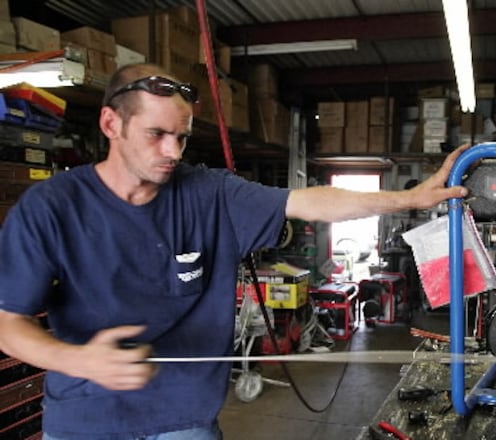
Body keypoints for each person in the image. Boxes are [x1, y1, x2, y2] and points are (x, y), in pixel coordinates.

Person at [0, 63, 469, 440]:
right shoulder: (51, 207)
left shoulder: (210, 194)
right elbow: (8, 325)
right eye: (156, 134)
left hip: (184, 417)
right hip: (85, 418)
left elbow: (310, 202)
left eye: (181, 136)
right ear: (111, 123)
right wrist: (76, 359)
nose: (173, 150)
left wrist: (410, 199)